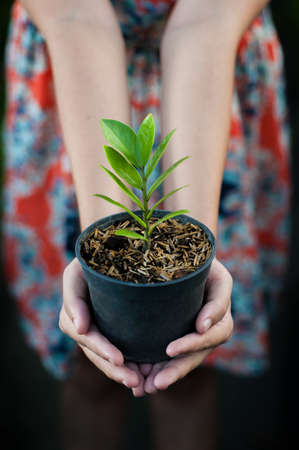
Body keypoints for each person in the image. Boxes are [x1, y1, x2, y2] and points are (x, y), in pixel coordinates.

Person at [2, 1, 290, 449]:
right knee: (90, 369)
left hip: (208, 89)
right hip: (76, 89)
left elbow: (209, 17)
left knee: (188, 365)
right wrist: (106, 279)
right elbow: (74, 14)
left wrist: (192, 276)